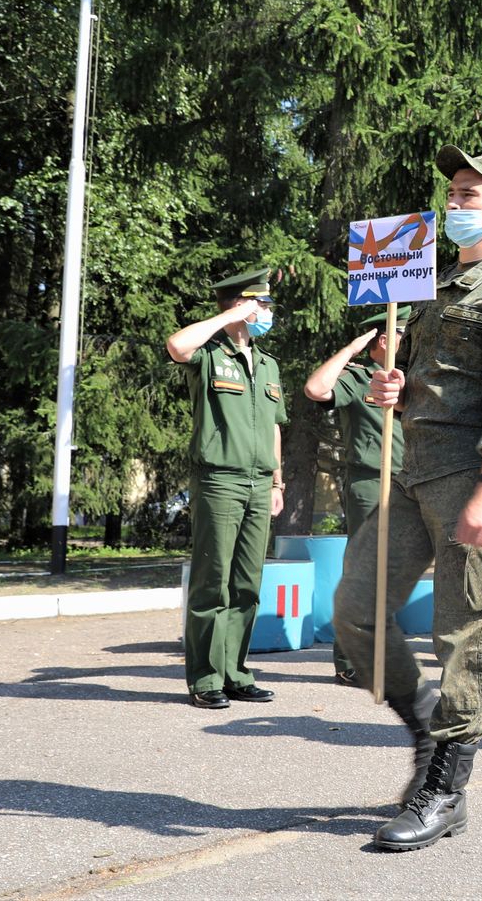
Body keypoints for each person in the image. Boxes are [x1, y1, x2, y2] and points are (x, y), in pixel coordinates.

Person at [333, 147, 482, 851]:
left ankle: (446, 790)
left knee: (463, 640)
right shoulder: (429, 287)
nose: (452, 204)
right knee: (356, 612)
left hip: (467, 480)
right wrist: (394, 391)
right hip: (413, 472)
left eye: (467, 194)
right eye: (451, 193)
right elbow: (428, 385)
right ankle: (424, 718)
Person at [166, 268, 288, 710]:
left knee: (247, 585)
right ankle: (205, 678)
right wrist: (228, 317)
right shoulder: (210, 353)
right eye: (262, 304)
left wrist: (277, 482)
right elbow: (177, 346)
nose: (269, 313)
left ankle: (236, 673)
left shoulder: (269, 364)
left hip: (259, 484)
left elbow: (275, 427)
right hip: (219, 480)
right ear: (241, 305)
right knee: (212, 583)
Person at [303, 312, 413, 686]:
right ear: (382, 340)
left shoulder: (408, 383)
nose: (408, 342)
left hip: (408, 484)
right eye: (402, 335)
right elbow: (317, 390)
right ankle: (349, 660)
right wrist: (353, 347)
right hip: (371, 483)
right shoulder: (358, 377)